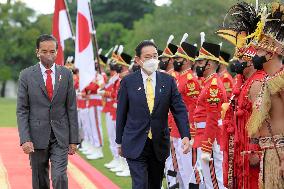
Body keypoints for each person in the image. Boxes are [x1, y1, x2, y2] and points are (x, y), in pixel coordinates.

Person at [116, 40, 191, 189]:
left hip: (158, 143)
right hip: (135, 141)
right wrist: (119, 141)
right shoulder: (128, 82)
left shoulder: (168, 81)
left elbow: (179, 109)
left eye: (155, 56)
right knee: (140, 184)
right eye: (147, 57)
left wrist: (185, 135)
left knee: (155, 184)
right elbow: (121, 113)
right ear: (138, 60)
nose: (152, 60)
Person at [17, 34, 79, 189]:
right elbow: (22, 110)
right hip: (36, 136)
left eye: (52, 51)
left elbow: (71, 107)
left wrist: (74, 139)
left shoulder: (66, 74)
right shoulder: (26, 75)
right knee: (40, 179)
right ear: (37, 52)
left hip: (60, 135)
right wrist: (25, 139)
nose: (48, 55)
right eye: (44, 51)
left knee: (59, 176)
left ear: (57, 52)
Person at [243, 2, 284, 188]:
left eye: (258, 50)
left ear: (272, 52)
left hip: (281, 152)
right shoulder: (266, 81)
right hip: (268, 152)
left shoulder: (281, 80)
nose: (254, 55)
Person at [193, 42, 227, 189]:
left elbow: (213, 119)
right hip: (205, 134)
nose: (196, 65)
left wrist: (207, 146)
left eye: (200, 61)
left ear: (210, 64)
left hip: (210, 138)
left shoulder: (213, 85)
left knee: (214, 181)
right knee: (208, 180)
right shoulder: (207, 83)